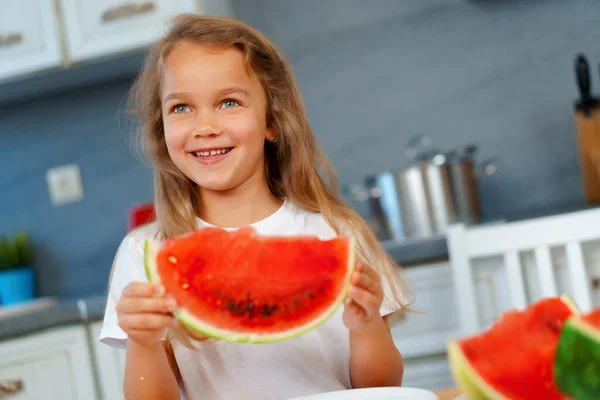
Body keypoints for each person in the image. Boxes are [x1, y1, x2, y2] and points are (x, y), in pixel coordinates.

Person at [100, 14, 411, 400]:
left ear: (272, 121)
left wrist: (366, 328)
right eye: (181, 108)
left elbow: (381, 389)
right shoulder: (146, 254)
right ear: (161, 129)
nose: (205, 126)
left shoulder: (337, 232)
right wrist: (144, 344)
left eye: (229, 102)